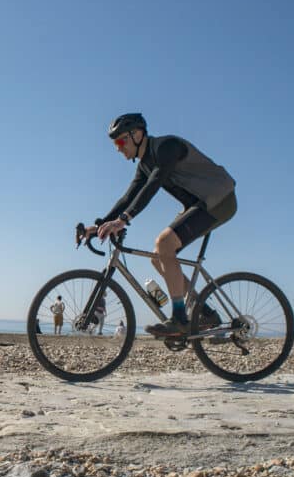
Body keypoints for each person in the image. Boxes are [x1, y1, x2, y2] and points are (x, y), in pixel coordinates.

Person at [89, 112, 237, 337]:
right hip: (199, 204)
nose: (118, 148)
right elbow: (128, 198)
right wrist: (98, 224)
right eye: (114, 144)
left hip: (219, 199)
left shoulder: (166, 147)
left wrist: (124, 220)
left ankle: (179, 318)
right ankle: (205, 313)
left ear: (137, 134)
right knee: (159, 258)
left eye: (121, 141)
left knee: (164, 243)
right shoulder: (144, 165)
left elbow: (154, 184)